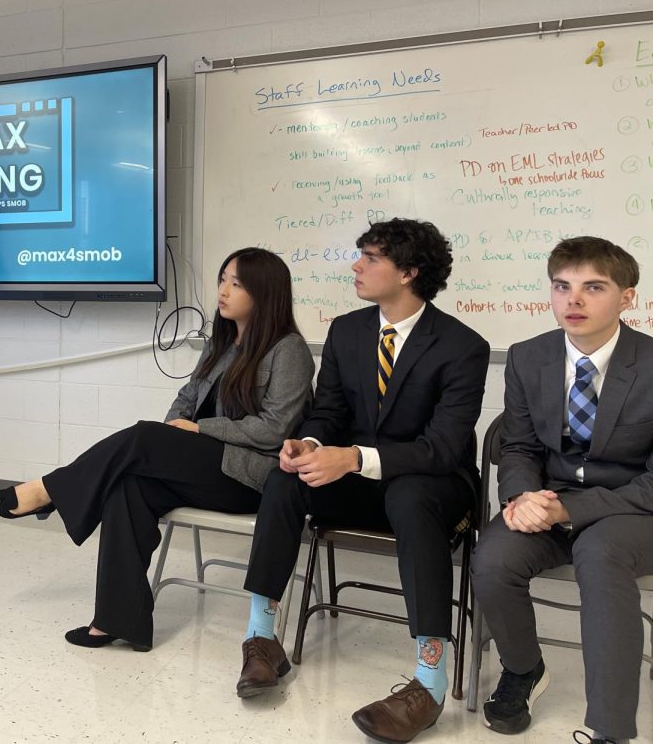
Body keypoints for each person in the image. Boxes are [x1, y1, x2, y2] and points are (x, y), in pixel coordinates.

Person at [0, 247, 314, 651]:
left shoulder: (288, 349)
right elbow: (186, 397)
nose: (223, 291)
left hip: (248, 478)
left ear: (264, 293)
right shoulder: (221, 342)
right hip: (204, 467)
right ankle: (119, 621)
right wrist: (178, 427)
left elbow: (276, 429)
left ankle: (48, 490)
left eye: (236, 284)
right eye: (222, 280)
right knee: (129, 486)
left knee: (142, 436)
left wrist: (197, 428)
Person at [235, 218, 489, 744]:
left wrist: (352, 458)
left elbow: (441, 449)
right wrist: (306, 444)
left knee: (412, 493)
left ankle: (430, 680)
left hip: (433, 485)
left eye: (371, 258)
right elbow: (327, 411)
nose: (357, 265)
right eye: (361, 255)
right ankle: (262, 639)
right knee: (284, 479)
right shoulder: (347, 330)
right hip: (360, 480)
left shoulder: (462, 346)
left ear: (410, 272)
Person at [471, 237, 653, 744]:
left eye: (593, 287)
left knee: (600, 553)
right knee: (493, 559)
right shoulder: (530, 357)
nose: (573, 301)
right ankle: (524, 669)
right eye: (562, 287)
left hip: (633, 509)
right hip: (545, 500)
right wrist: (522, 497)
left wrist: (565, 510)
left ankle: (611, 731)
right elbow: (521, 445)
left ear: (627, 298)